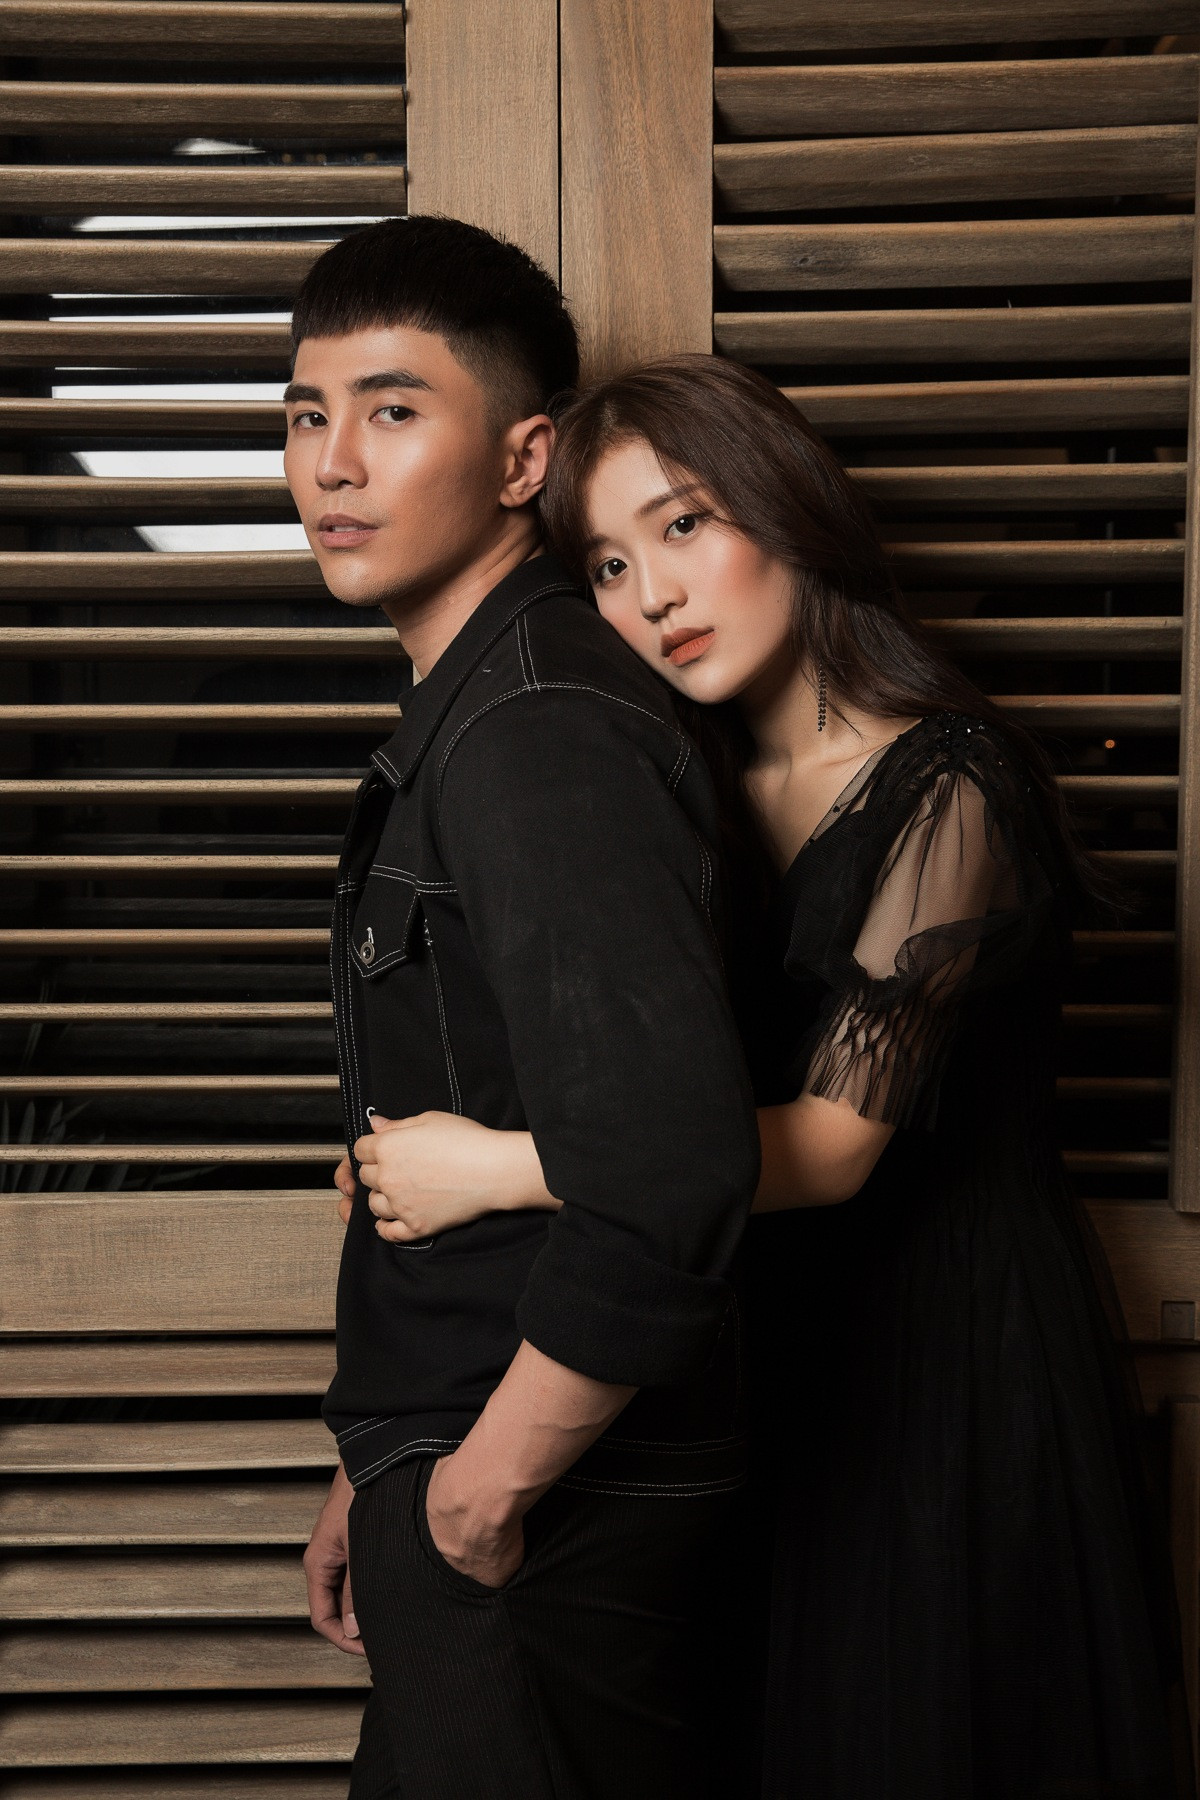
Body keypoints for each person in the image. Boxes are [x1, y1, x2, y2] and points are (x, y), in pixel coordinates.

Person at [350, 354, 1191, 1798]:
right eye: (608, 565)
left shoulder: (954, 783)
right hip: (751, 1344)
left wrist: (496, 1167)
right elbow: (636, 1087)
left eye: (684, 525)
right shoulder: (690, 790)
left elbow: (839, 1146)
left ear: (787, 509)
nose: (653, 595)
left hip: (941, 1347)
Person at [289, 228, 760, 1800]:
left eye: (392, 409)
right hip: (466, 1459)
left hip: (551, 1507)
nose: (333, 463)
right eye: (306, 416)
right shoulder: (480, 707)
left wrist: (479, 1491)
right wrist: (383, 1457)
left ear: (521, 459)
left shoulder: (538, 726)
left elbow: (671, 1170)